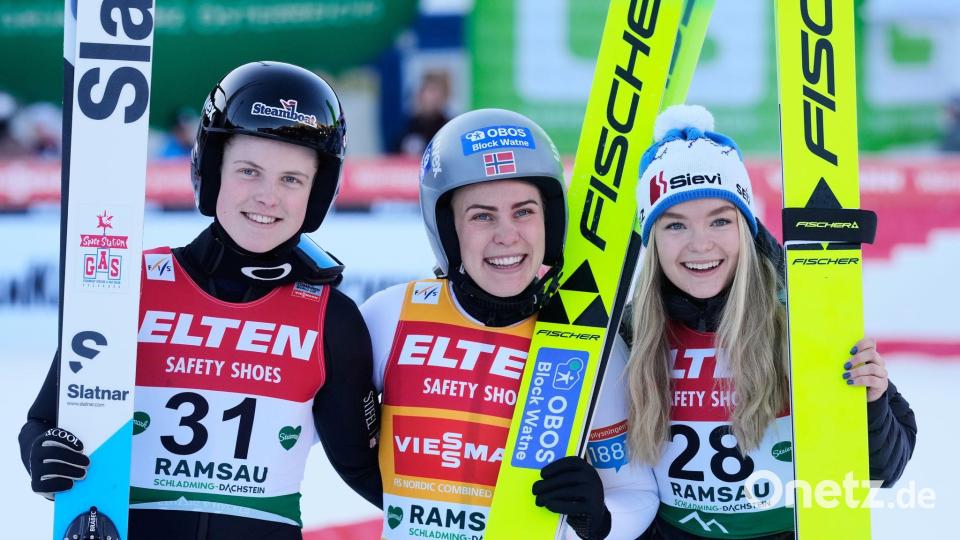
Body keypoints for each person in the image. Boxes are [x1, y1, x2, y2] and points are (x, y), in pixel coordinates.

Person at [18, 61, 381, 540]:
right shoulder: (130, 287)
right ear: (211, 172)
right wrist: (46, 454)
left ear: (318, 194)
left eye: (292, 179)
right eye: (248, 171)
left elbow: (369, 471)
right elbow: (45, 423)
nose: (268, 196)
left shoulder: (331, 318)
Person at [621, 105, 917, 539]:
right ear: (652, 239)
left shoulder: (798, 318)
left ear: (746, 227)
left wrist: (871, 402)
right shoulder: (631, 334)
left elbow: (882, 471)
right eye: (675, 225)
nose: (700, 244)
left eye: (720, 221)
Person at [361, 108, 658, 540]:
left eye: (524, 212)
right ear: (448, 230)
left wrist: (598, 519)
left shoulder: (589, 342)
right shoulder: (390, 317)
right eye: (482, 215)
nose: (507, 235)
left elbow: (634, 491)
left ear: (549, 222)